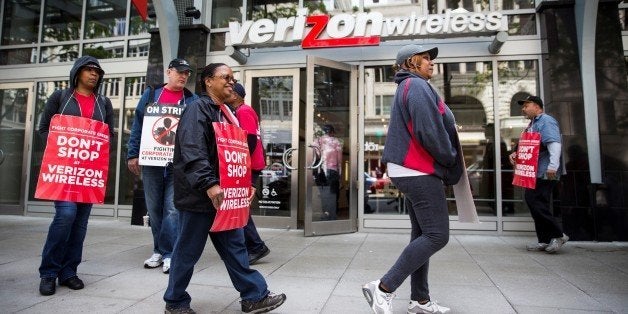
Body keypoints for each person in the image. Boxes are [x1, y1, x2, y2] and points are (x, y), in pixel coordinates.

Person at [163, 63, 286, 314]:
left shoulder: (227, 112)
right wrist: (209, 184)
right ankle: (175, 301)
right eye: (225, 77)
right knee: (187, 251)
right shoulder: (198, 108)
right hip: (201, 196)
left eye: (233, 78)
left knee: (235, 247)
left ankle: (254, 296)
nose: (231, 82)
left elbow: (237, 154)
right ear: (208, 81)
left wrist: (245, 185)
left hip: (226, 197)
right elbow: (192, 150)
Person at [362, 44, 463, 314]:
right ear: (411, 62)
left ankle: (420, 300)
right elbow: (428, 132)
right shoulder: (416, 87)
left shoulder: (409, 86)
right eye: (426, 58)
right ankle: (383, 287)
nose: (432, 63)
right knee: (437, 235)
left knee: (422, 234)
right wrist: (450, 158)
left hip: (410, 171)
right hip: (418, 171)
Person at [37, 55, 115, 296]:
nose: (94, 74)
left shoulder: (104, 102)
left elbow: (108, 134)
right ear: (77, 72)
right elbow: (43, 130)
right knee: (66, 215)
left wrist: (96, 150)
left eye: (97, 72)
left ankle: (69, 271)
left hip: (88, 173)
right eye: (89, 70)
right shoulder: (60, 97)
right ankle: (49, 272)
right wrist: (63, 149)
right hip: (64, 172)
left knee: (80, 223)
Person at [126, 58, 198, 273]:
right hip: (151, 162)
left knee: (173, 210)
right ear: (169, 72)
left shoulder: (191, 100)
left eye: (187, 73)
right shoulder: (151, 95)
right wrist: (132, 154)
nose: (184, 76)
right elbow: (137, 124)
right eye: (180, 72)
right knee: (155, 209)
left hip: (177, 165)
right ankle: (159, 250)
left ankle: (170, 254)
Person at [509, 95, 568, 253]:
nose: (523, 109)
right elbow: (529, 145)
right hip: (534, 172)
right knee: (534, 202)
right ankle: (544, 239)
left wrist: (552, 166)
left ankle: (558, 235)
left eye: (526, 106)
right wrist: (516, 153)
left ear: (536, 106)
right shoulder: (532, 124)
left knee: (536, 202)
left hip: (545, 172)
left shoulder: (546, 121)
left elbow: (554, 143)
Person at [227, 82, 271, 265]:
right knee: (240, 206)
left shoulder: (243, 111)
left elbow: (250, 139)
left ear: (236, 96)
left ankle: (256, 246)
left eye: (230, 91)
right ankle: (250, 245)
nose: (227, 93)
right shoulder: (243, 111)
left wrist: (241, 161)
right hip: (251, 165)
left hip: (249, 166)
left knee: (241, 207)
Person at [315, 124, 342, 220]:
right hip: (333, 170)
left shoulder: (317, 141)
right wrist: (340, 174)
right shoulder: (336, 142)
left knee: (323, 194)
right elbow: (339, 160)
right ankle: (332, 215)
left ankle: (325, 213)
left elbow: (316, 156)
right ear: (332, 132)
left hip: (320, 170)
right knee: (333, 193)